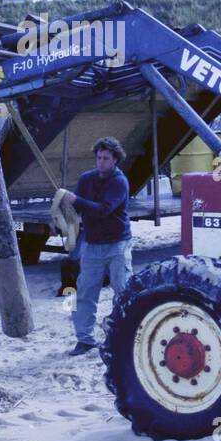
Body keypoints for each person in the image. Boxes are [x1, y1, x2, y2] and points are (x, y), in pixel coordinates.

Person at [60, 137, 131, 356]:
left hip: (117, 244)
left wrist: (75, 201)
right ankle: (85, 339)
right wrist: (59, 219)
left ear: (115, 160)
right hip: (91, 245)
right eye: (99, 157)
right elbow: (74, 210)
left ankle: (127, 334)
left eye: (106, 158)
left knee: (123, 289)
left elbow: (103, 210)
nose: (101, 162)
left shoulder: (120, 182)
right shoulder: (86, 179)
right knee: (84, 293)